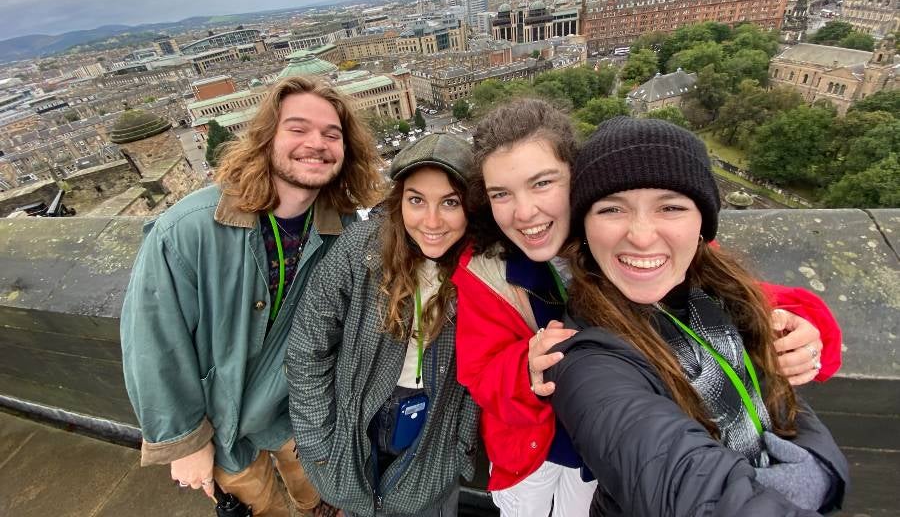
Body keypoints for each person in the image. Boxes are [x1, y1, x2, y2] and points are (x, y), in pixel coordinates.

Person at [451, 98, 842, 517]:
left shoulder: (636, 242)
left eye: (543, 183)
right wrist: (524, 369)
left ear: (578, 179)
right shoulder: (486, 269)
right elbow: (478, 371)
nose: (525, 211)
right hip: (537, 451)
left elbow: (726, 292)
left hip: (609, 460)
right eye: (501, 194)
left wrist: (808, 324)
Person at [120, 76, 382, 516]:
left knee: (322, 501)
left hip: (299, 411)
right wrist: (184, 441)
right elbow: (152, 339)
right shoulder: (188, 229)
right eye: (297, 129)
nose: (316, 143)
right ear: (266, 138)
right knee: (259, 509)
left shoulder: (345, 232)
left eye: (331, 134)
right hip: (221, 423)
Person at [287, 133, 480, 517]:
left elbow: (489, 368)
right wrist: (317, 442)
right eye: (416, 200)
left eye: (450, 202)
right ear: (399, 200)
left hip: (436, 429)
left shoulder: (483, 268)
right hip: (359, 418)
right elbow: (308, 348)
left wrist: (460, 448)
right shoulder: (359, 250)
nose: (432, 222)